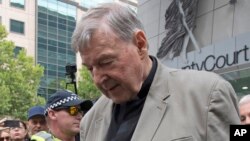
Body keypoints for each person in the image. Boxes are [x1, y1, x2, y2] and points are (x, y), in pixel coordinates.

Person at [71, 3, 240, 141]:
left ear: (140, 44)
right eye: (90, 68)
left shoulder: (209, 94)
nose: (98, 79)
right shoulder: (90, 120)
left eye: (106, 62)